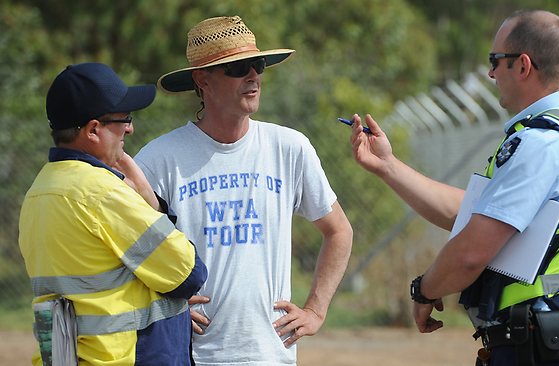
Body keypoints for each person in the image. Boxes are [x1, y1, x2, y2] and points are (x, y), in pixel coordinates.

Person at [349, 9, 559, 366]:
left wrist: (425, 289)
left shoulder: (542, 143)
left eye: (496, 61)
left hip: (541, 351)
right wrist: (388, 166)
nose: (491, 73)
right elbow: (474, 214)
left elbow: (472, 252)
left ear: (523, 66)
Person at [134, 16, 353, 365]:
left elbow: (338, 230)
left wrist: (315, 309)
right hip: (191, 355)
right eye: (237, 68)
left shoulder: (289, 147)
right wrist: (161, 305)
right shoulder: (160, 159)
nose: (253, 76)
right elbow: (121, 250)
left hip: (271, 354)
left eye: (258, 64)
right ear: (202, 80)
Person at [18, 62, 208, 365]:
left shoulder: (40, 191)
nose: (130, 128)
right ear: (94, 130)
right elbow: (188, 274)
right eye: (124, 119)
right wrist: (150, 199)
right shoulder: (102, 192)